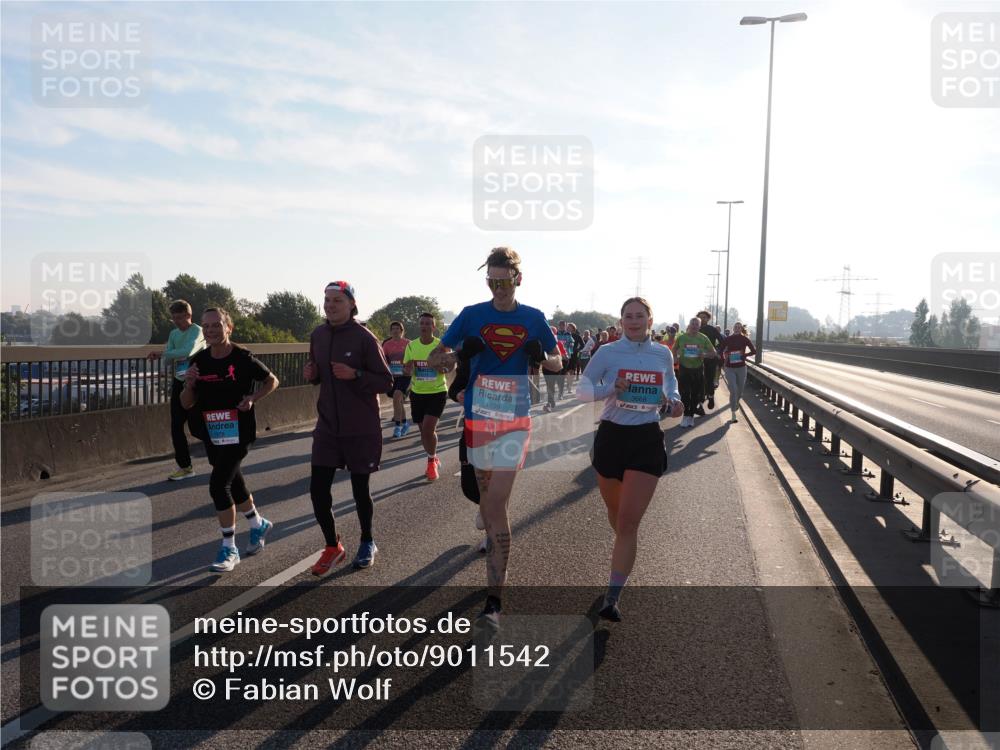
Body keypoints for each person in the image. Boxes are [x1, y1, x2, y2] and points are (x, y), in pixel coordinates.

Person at [430, 247, 561, 629]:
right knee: (489, 504)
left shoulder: (533, 318)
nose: (498, 288)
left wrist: (540, 354)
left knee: (497, 505)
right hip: (478, 419)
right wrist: (458, 355)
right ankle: (491, 564)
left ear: (517, 279)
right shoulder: (472, 316)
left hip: (514, 420)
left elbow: (557, 362)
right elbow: (436, 359)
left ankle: (494, 602)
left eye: (504, 281)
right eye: (492, 281)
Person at [577, 297, 682, 621]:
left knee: (627, 522)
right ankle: (625, 545)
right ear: (621, 321)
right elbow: (582, 390)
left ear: (650, 320)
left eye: (640, 316)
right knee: (616, 512)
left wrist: (674, 403)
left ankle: (612, 596)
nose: (633, 321)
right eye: (628, 316)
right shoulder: (608, 352)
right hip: (611, 436)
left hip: (646, 439)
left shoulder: (662, 353)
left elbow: (671, 388)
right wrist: (611, 387)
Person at [305, 281, 394, 576]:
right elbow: (317, 375)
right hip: (328, 426)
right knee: (317, 490)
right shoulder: (317, 335)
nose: (330, 305)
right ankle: (333, 546)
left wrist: (355, 374)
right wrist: (312, 375)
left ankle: (368, 541)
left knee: (360, 490)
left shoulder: (365, 338)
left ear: (351, 305)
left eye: (337, 301)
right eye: (327, 300)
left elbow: (385, 382)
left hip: (361, 427)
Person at [180, 307, 279, 572]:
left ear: (228, 328)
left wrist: (252, 399)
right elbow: (186, 403)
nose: (211, 330)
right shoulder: (198, 361)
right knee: (233, 482)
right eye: (207, 326)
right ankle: (258, 524)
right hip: (212, 432)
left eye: (217, 325)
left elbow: (271, 380)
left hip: (239, 431)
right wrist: (188, 385)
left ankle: (229, 548)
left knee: (218, 485)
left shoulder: (243, 358)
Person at [148, 300, 206, 481]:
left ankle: (223, 450)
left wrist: (163, 354)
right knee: (176, 426)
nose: (177, 321)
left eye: (180, 317)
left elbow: (187, 351)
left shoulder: (197, 331)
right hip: (179, 381)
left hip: (197, 383)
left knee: (196, 427)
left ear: (189, 315)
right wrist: (162, 367)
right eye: (174, 318)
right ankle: (185, 467)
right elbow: (171, 353)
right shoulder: (173, 333)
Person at [402, 312, 449, 481]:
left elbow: (450, 367)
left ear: (434, 327)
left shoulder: (441, 346)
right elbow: (406, 368)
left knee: (428, 429)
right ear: (419, 326)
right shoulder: (411, 346)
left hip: (437, 392)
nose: (425, 326)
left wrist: (441, 367)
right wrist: (407, 370)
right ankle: (433, 455)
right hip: (418, 393)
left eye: (428, 323)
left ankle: (431, 462)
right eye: (422, 323)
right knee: (424, 433)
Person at [674, 318, 715, 428]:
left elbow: (713, 353)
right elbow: (674, 350)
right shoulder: (681, 338)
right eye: (692, 323)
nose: (694, 326)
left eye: (696, 324)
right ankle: (685, 415)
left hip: (697, 369)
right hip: (684, 368)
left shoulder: (703, 338)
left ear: (699, 326)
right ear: (689, 325)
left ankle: (691, 416)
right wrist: (675, 358)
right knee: (685, 393)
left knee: (695, 394)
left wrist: (704, 355)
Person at [719, 322, 757, 423]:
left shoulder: (744, 339)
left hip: (741, 368)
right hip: (729, 368)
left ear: (741, 329)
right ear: (733, 328)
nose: (737, 328)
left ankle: (736, 404)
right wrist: (724, 358)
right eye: (735, 327)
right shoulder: (728, 339)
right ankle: (733, 413)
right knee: (733, 389)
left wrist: (744, 355)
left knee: (739, 391)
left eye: (739, 327)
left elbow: (754, 351)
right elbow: (720, 350)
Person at [382, 321, 411, 438]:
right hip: (393, 376)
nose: (395, 331)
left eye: (397, 329)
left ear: (402, 331)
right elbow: (383, 361)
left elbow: (413, 359)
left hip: (405, 376)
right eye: (393, 329)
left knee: (397, 396)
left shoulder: (408, 343)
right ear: (390, 331)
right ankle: (405, 423)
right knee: (398, 401)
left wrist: (408, 368)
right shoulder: (387, 345)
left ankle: (397, 427)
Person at [696, 311, 723, 411]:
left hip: (711, 358)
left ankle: (711, 397)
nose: (702, 319)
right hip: (697, 358)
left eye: (704, 317)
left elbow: (722, 341)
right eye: (700, 317)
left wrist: (717, 350)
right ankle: (700, 403)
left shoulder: (712, 329)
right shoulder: (695, 329)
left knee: (709, 379)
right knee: (699, 380)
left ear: (708, 319)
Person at [543, 325, 569, 413]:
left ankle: (550, 401)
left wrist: (564, 357)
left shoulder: (559, 343)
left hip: (556, 367)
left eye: (552, 332)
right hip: (546, 367)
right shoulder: (543, 342)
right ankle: (551, 401)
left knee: (552, 384)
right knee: (549, 385)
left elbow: (564, 355)